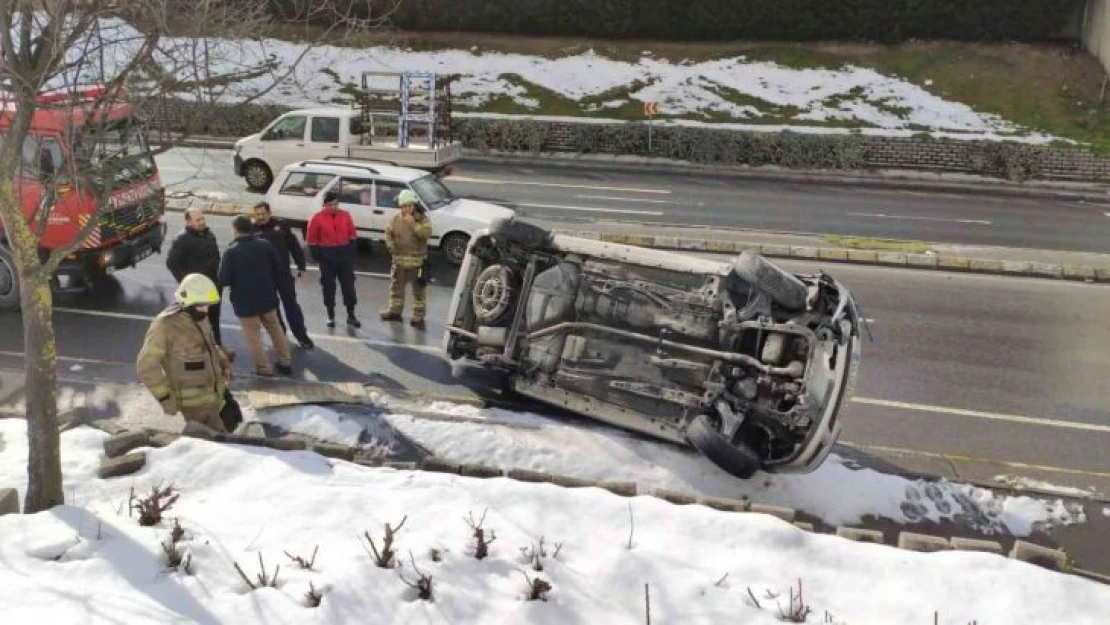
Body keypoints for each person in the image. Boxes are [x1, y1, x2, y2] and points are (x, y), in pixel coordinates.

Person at [136, 273, 232, 433]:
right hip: (194, 406)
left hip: (215, 397)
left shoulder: (200, 317)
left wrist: (224, 363)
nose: (206, 310)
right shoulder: (165, 326)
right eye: (202, 305)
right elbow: (146, 365)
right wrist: (166, 399)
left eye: (208, 305)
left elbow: (210, 346)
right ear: (186, 302)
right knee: (212, 445)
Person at [218, 215, 293, 376]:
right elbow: (278, 268)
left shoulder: (231, 252)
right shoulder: (265, 245)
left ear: (236, 230)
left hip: (245, 302)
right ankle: (285, 362)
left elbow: (223, 279)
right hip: (267, 297)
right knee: (276, 329)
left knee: (253, 336)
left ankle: (264, 368)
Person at [165, 207, 234, 362]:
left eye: (203, 218)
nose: (202, 222)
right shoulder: (182, 240)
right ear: (188, 221)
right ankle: (200, 354)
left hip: (213, 287)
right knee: (197, 322)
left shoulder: (209, 235)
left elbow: (216, 258)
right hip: (196, 291)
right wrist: (188, 283)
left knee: (214, 318)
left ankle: (217, 347)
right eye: (198, 220)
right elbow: (172, 263)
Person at [251, 201, 314, 350]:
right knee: (273, 309)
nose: (261, 217)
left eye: (263, 214)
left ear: (269, 213)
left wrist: (301, 264)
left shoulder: (281, 225)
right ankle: (281, 335)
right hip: (265, 277)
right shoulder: (251, 230)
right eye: (258, 214)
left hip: (283, 274)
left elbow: (294, 245)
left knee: (291, 305)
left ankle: (301, 336)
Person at [306, 190, 360, 329]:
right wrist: (319, 256)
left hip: (344, 256)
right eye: (330, 205)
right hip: (327, 258)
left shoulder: (345, 215)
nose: (333, 207)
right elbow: (312, 240)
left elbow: (353, 235)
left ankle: (351, 315)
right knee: (328, 288)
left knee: (349, 287)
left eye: (335, 204)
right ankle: (330, 315)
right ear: (324, 205)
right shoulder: (317, 218)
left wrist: (349, 253)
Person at [380, 189, 432, 330]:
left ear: (414, 205)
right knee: (396, 289)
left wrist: (413, 224)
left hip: (417, 263)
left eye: (409, 206)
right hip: (399, 263)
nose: (406, 209)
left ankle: (418, 315)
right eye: (403, 206)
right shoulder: (395, 219)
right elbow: (388, 234)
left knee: (418, 291)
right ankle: (394, 311)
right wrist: (390, 245)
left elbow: (426, 234)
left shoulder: (422, 219)